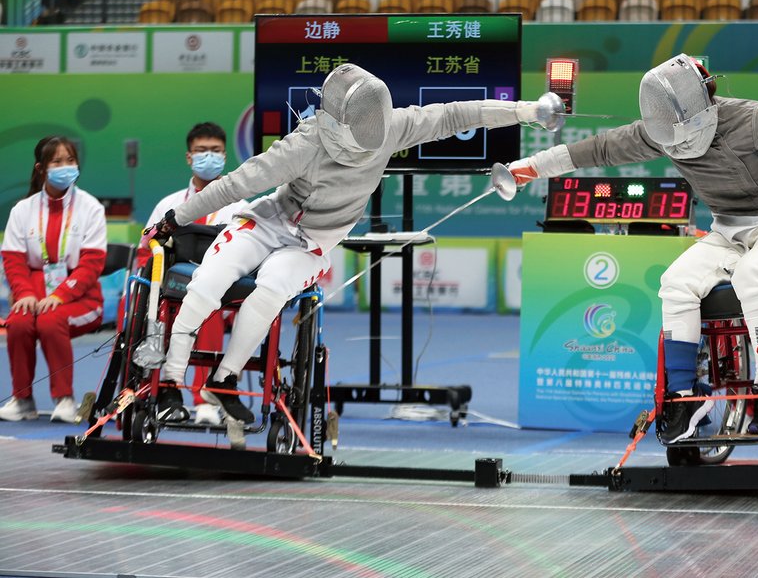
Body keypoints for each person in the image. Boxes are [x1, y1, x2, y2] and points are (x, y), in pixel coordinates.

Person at [145, 63, 560, 425]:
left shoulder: (392, 127)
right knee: (207, 283)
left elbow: (456, 114)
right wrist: (174, 218)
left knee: (270, 292)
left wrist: (527, 111)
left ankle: (224, 381)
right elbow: (237, 183)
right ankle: (169, 381)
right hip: (270, 221)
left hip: (312, 242)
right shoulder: (305, 143)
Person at [508, 54, 758, 444]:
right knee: (675, 283)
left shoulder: (754, 120)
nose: (680, 145)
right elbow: (599, 149)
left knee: (754, 275)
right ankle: (683, 398)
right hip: (728, 230)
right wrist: (530, 167)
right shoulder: (658, 133)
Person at [141, 122, 247, 427]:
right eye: (202, 151)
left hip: (221, 299)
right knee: (154, 311)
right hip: (172, 294)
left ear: (225, 156)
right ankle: (164, 393)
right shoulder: (169, 204)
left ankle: (205, 399)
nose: (208, 157)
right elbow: (146, 248)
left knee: (206, 308)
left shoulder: (241, 206)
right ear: (189, 157)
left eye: (215, 151)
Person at [0, 136, 107, 423]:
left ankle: (64, 399)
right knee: (19, 321)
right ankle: (22, 400)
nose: (65, 167)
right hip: (33, 292)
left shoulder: (91, 208)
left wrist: (60, 296)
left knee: (50, 320)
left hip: (83, 298)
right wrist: (23, 293)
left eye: (70, 161)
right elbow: (13, 259)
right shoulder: (22, 210)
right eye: (57, 162)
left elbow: (91, 264)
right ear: (41, 169)